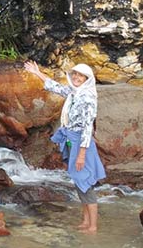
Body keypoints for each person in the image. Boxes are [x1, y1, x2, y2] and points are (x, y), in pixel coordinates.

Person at [22, 60, 106, 233]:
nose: (76, 77)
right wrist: (37, 72)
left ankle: (93, 226)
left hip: (82, 143)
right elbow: (54, 86)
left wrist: (81, 154)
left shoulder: (88, 97)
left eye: (80, 75)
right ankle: (85, 220)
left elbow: (87, 127)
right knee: (77, 179)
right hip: (70, 139)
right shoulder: (74, 93)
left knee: (85, 179)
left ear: (87, 79)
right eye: (74, 74)